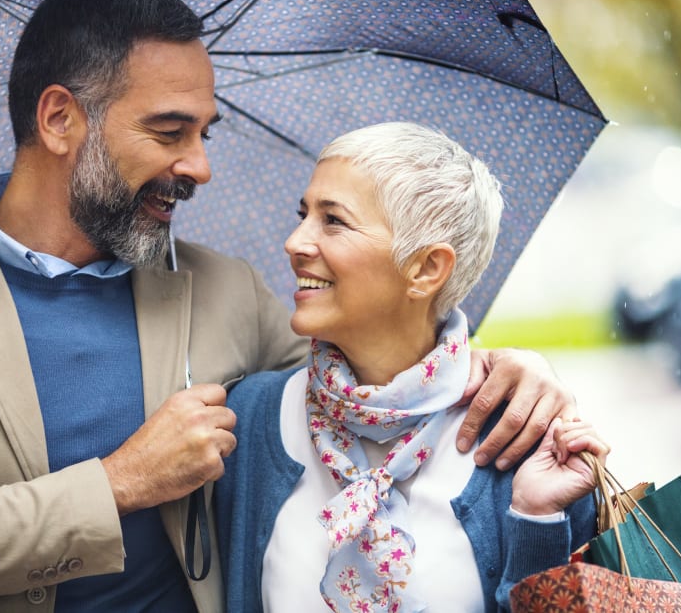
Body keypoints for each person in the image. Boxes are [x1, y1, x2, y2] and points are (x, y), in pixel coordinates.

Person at [0, 0, 577, 613]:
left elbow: (375, 379)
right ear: (59, 118)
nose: (200, 166)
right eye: (170, 131)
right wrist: (117, 485)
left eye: (204, 132)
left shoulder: (224, 292)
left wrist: (502, 369)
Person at [216, 122, 610, 613]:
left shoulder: (525, 443)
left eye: (333, 220)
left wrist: (535, 520)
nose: (295, 242)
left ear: (426, 269)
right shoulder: (250, 419)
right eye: (304, 215)